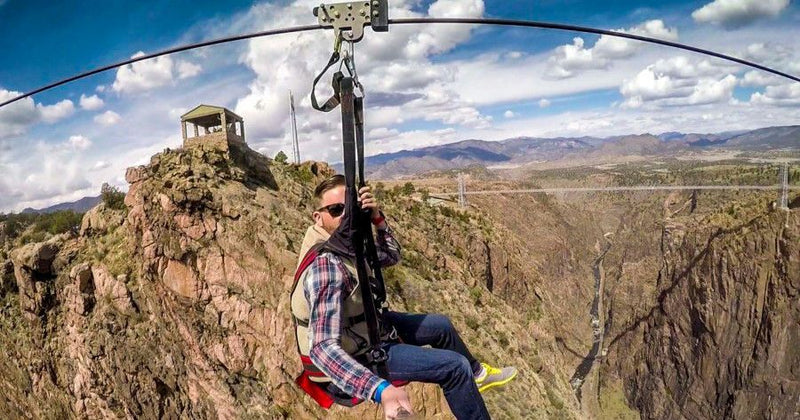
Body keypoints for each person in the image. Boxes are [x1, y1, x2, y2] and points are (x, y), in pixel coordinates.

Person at [291, 175, 517, 420]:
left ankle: (477, 375)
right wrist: (379, 390)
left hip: (366, 328)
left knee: (440, 326)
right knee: (454, 367)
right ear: (318, 217)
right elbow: (322, 348)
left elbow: (391, 255)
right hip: (355, 355)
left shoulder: (347, 242)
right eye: (336, 210)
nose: (347, 215)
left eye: (352, 207)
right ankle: (467, 378)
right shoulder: (327, 265)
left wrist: (377, 218)